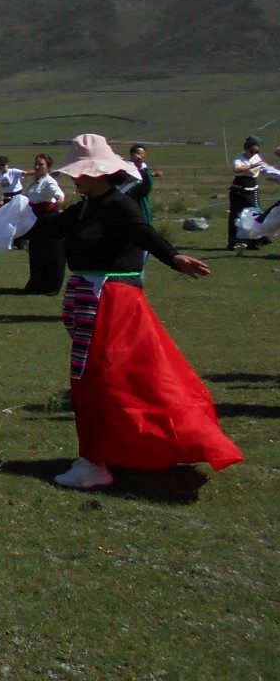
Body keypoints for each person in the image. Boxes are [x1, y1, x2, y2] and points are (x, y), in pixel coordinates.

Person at [22, 134, 241, 489]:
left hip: (111, 302)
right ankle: (102, 454)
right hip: (92, 297)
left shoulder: (117, 206)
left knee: (101, 379)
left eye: (78, 172)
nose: (73, 178)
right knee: (97, 378)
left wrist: (173, 257)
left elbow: (143, 234)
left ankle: (96, 460)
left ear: (96, 173)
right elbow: (47, 228)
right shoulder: (86, 207)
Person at [20, 153, 66, 295]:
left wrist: (59, 196)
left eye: (41, 165)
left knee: (51, 252)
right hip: (35, 219)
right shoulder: (33, 182)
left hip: (49, 219)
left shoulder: (49, 181)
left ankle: (51, 285)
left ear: (48, 167)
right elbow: (25, 197)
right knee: (36, 252)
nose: (37, 167)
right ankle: (37, 283)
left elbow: (57, 192)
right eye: (36, 164)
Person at [228, 136, 267, 249]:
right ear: (246, 149)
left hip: (252, 188)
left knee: (255, 213)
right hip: (238, 189)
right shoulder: (239, 159)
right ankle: (233, 241)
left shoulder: (257, 157)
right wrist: (251, 166)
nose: (253, 154)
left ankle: (254, 240)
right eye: (251, 151)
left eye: (256, 151)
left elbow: (263, 166)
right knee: (235, 214)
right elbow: (237, 169)